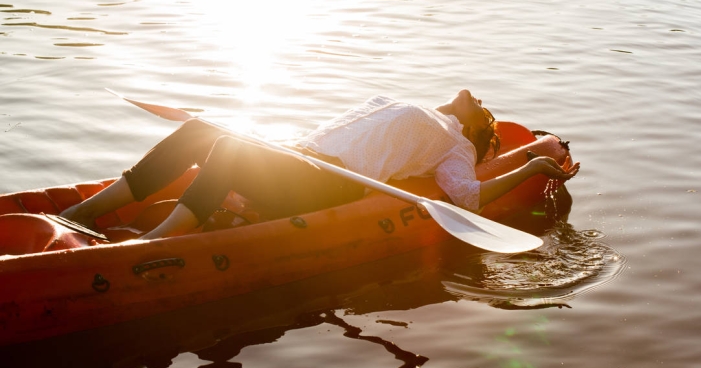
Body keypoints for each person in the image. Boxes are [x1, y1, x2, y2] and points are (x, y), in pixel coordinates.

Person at [61, 89, 579, 239]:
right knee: (202, 131)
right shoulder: (404, 103)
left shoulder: (457, 146)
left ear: (476, 131)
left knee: (227, 150)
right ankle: (84, 213)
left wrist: (533, 167)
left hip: (328, 186)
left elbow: (467, 196)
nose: (475, 95)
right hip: (300, 160)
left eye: (483, 108)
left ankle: (152, 246)